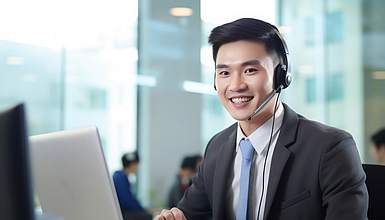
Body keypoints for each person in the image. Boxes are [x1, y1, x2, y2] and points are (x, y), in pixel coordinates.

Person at [155, 18, 368, 220]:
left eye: (250, 70)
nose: (236, 85)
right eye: (224, 73)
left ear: (281, 76)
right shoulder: (217, 147)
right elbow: (189, 214)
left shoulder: (329, 148)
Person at [112, 152, 152, 220]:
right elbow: (127, 201)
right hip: (121, 213)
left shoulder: (119, 176)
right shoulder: (120, 178)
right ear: (132, 165)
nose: (137, 168)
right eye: (137, 165)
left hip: (121, 212)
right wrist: (142, 210)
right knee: (147, 216)